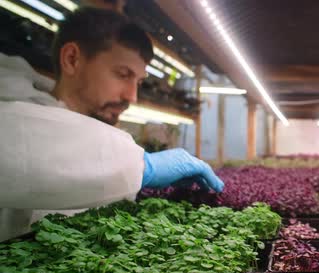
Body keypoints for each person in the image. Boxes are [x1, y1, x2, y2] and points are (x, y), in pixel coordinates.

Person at [0, 8, 223, 241]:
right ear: (72, 59)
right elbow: (22, 153)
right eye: (123, 74)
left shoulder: (107, 143)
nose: (132, 96)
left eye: (138, 81)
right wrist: (141, 167)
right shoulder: (11, 109)